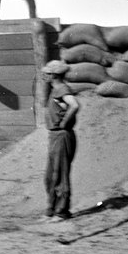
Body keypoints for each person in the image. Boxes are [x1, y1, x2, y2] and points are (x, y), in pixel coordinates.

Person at [42, 60, 80, 221]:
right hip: (55, 136)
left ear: (54, 75)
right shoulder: (55, 89)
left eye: (47, 73)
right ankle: (51, 208)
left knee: (60, 174)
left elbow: (75, 105)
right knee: (50, 176)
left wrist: (64, 123)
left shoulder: (62, 89)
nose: (45, 75)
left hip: (62, 136)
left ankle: (62, 211)